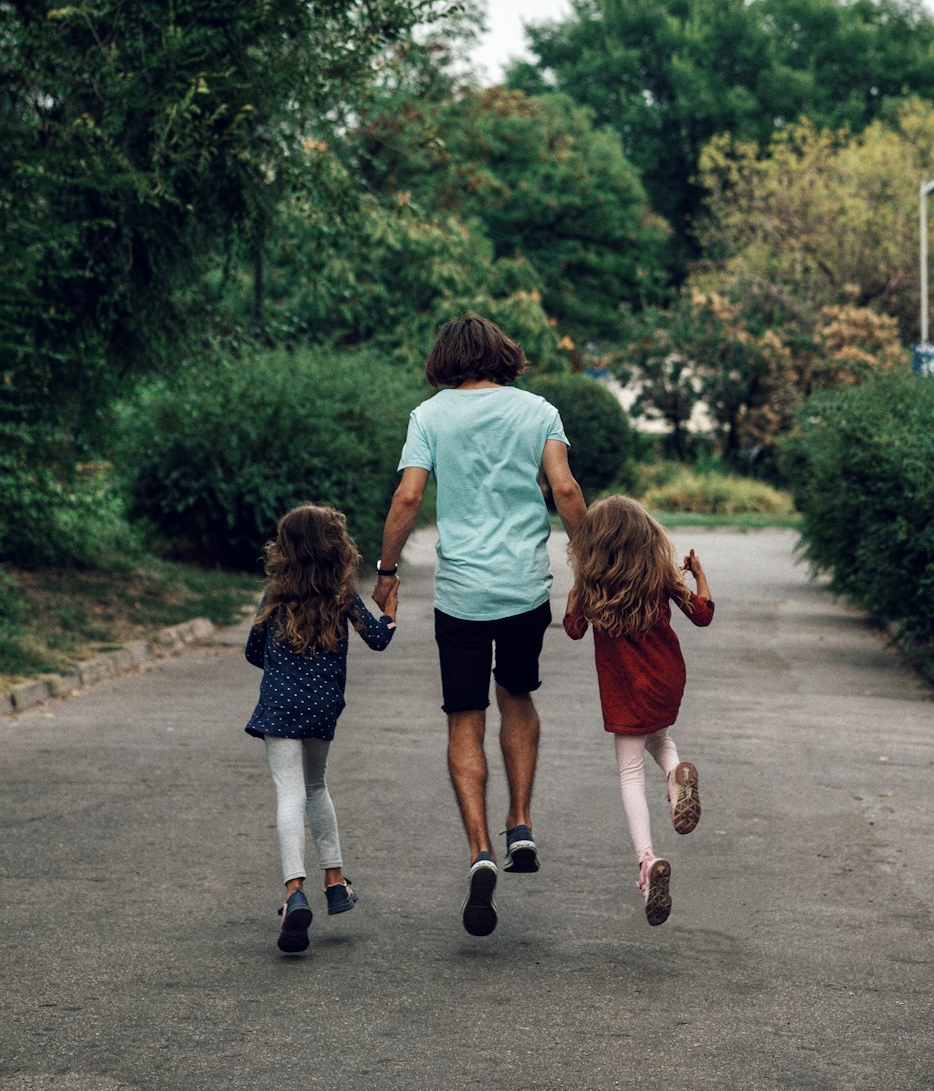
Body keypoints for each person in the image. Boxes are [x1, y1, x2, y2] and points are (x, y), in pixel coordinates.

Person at [374, 313, 587, 937]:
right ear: (502, 354)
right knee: (516, 696)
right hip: (523, 586)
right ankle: (520, 823)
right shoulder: (539, 410)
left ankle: (480, 850)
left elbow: (409, 498)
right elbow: (566, 490)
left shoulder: (428, 416)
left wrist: (386, 572)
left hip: (461, 592)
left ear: (444, 357)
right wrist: (591, 562)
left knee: (464, 717)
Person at [245, 502, 398, 954]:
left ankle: (295, 892)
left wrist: (280, 661)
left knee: (289, 795)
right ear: (336, 548)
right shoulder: (342, 594)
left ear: (285, 548)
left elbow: (254, 651)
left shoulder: (275, 593)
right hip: (322, 709)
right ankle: (335, 880)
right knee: (315, 787)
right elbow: (379, 637)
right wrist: (389, 610)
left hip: (279, 707)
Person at [563, 496, 714, 926]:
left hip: (624, 690)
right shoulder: (661, 574)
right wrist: (700, 576)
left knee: (629, 773)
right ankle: (675, 775)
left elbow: (573, 629)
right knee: (661, 737)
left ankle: (647, 862)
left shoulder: (593, 585)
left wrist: (578, 584)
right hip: (665, 682)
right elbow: (701, 615)